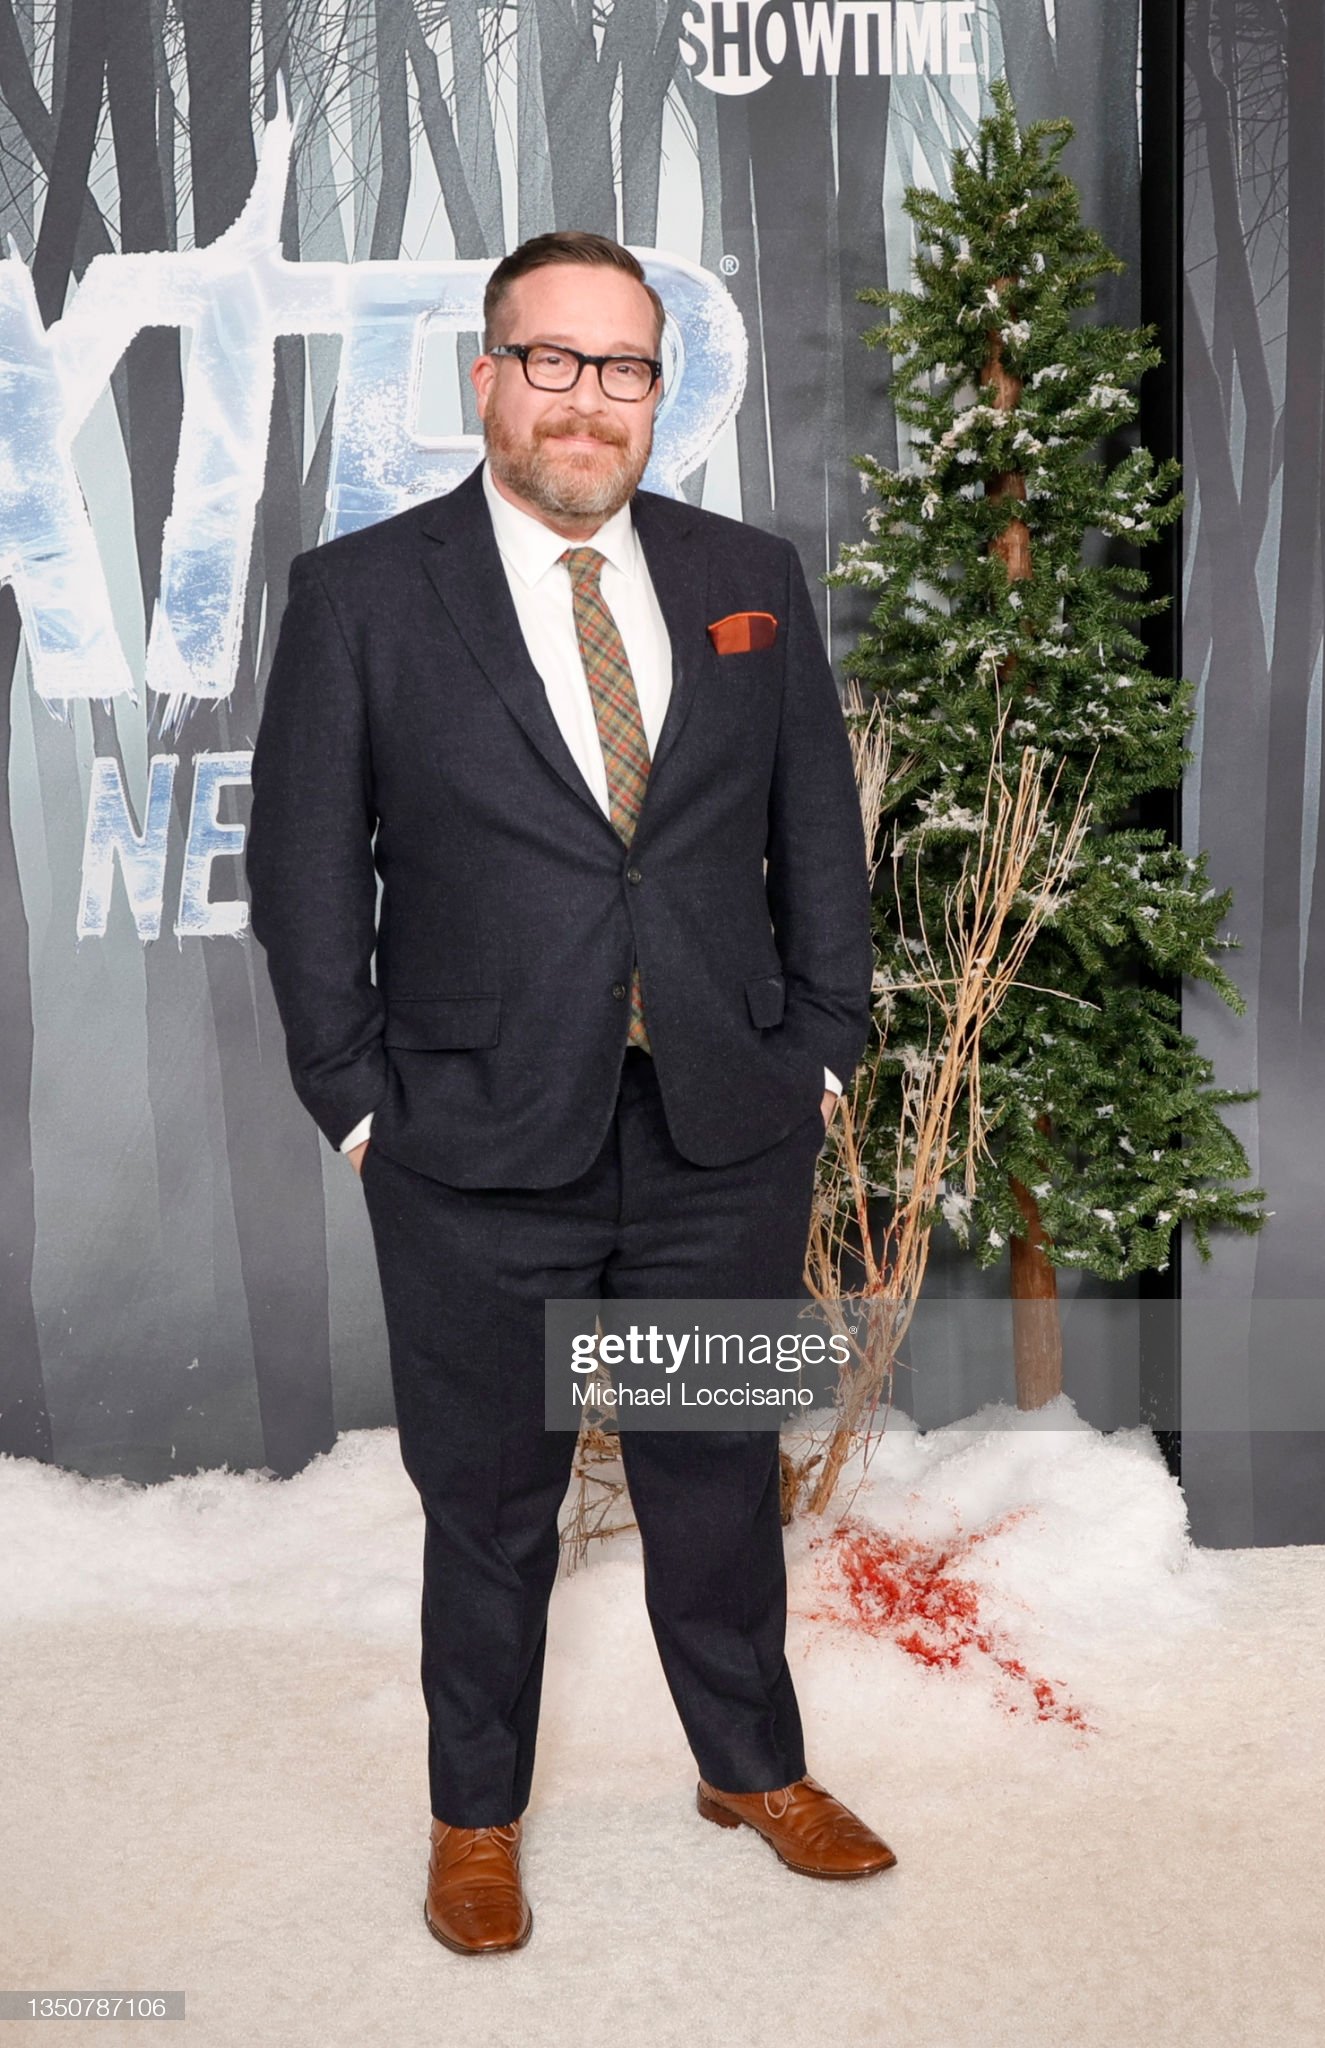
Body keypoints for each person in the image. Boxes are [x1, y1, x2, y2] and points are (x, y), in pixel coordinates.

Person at [245, 229, 895, 1957]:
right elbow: (303, 874)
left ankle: (750, 1768)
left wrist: (823, 1049)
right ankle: (475, 1817)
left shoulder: (746, 574)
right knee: (489, 1505)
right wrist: (356, 1101)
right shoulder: (363, 594)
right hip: (468, 1143)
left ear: (657, 393)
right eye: (552, 359)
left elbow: (814, 837)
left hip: (718, 1130)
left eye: (623, 368)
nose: (586, 399)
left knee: (714, 1472)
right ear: (488, 376)